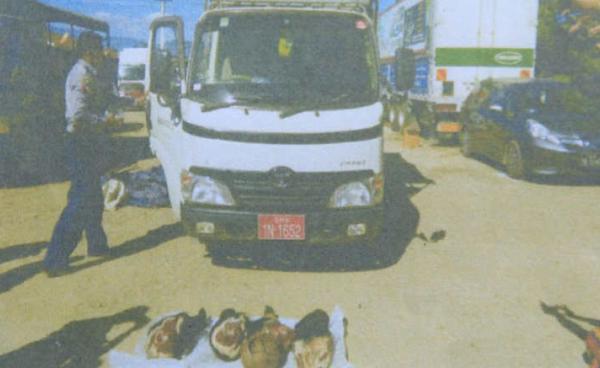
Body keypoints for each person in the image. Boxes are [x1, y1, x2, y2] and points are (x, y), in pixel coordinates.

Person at [43, 32, 116, 276]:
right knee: (80, 202)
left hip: (89, 142)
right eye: (99, 50)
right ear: (89, 51)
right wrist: (105, 120)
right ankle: (55, 259)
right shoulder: (81, 74)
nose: (104, 54)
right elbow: (77, 116)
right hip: (81, 142)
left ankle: (97, 245)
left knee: (92, 197)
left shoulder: (92, 73)